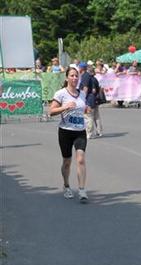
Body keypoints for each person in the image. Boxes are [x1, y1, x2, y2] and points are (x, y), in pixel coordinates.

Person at [49, 66, 89, 202]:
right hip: (65, 132)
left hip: (80, 131)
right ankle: (66, 186)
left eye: (76, 76)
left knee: (81, 159)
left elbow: (83, 109)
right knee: (67, 161)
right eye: (72, 75)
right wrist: (65, 107)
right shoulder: (61, 94)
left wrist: (85, 110)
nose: (74, 78)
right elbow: (51, 111)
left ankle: (82, 190)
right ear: (67, 78)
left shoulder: (82, 94)